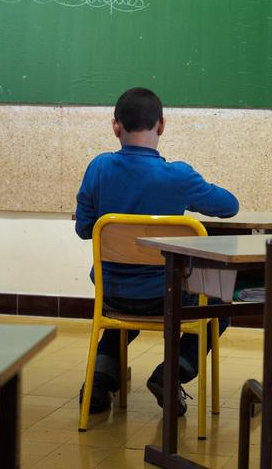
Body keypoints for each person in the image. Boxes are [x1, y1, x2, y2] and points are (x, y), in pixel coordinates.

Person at [75, 87, 239, 416]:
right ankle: (172, 372)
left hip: (112, 293)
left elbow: (84, 229)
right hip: (166, 295)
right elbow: (229, 206)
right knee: (221, 299)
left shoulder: (98, 168)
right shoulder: (179, 176)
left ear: (116, 126)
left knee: (125, 317)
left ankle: (99, 382)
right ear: (161, 125)